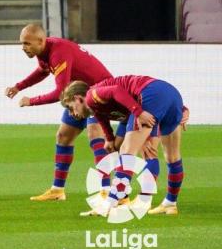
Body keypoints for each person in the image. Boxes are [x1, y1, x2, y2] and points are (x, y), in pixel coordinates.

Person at [6, 23, 114, 202]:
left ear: (40, 41)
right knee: (63, 136)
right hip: (79, 95)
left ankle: (107, 192)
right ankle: (57, 190)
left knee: (95, 133)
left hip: (100, 92)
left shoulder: (58, 52)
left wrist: (32, 101)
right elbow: (42, 71)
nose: (23, 47)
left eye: (26, 43)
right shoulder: (43, 52)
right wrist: (19, 86)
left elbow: (60, 92)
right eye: (22, 43)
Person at [60, 75, 188, 216]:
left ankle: (110, 204)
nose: (72, 114)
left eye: (70, 108)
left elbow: (116, 90)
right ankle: (170, 203)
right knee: (171, 156)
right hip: (172, 95)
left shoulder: (91, 95)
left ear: (78, 98)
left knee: (127, 151)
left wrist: (138, 112)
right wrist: (109, 138)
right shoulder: (96, 106)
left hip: (151, 94)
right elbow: (101, 116)